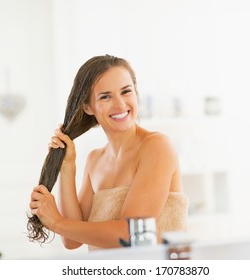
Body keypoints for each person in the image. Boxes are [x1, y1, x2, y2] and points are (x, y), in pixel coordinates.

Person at [29, 55, 188, 251]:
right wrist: (67, 167)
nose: (120, 104)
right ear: (87, 106)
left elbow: (131, 234)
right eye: (105, 96)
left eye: (126, 91)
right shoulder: (95, 160)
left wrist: (56, 222)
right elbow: (72, 240)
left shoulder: (156, 147)